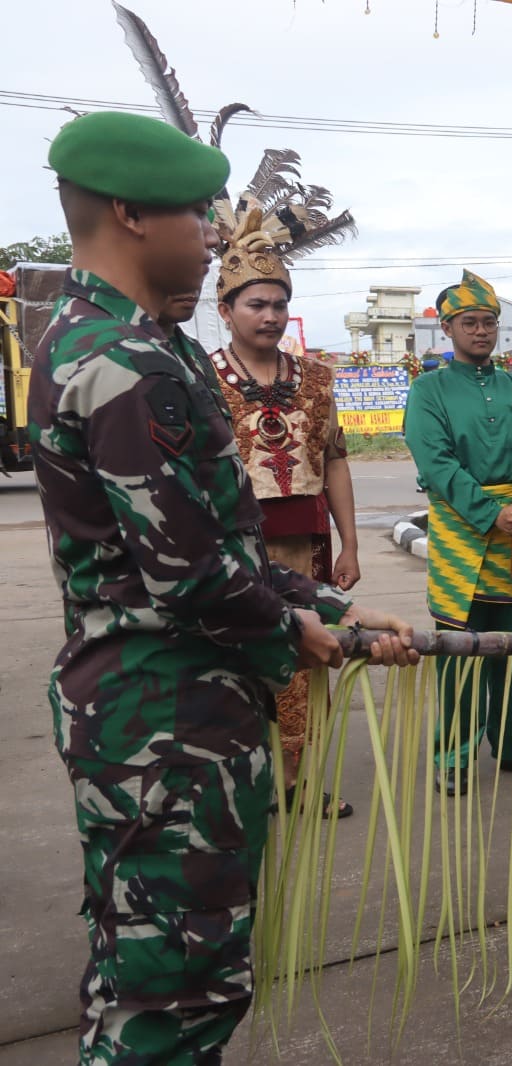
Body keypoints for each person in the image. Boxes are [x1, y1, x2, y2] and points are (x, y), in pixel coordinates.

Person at [31, 111, 418, 1065]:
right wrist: (303, 634)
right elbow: (192, 573)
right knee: (175, 1002)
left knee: (148, 976)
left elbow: (212, 547)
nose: (213, 240)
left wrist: (327, 603)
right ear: (130, 213)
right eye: (200, 218)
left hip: (161, 710)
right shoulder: (126, 363)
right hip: (167, 722)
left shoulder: (105, 338)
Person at [211, 197, 361, 820]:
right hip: (233, 547)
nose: (271, 315)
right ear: (226, 310)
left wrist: (351, 542)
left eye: (279, 303)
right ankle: (243, 778)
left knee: (304, 659)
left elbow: (335, 462)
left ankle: (296, 780)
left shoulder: (318, 378)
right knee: (239, 659)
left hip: (308, 544)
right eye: (256, 304)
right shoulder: (201, 376)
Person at [404, 270, 512, 796]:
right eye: (469, 322)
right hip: (462, 531)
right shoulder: (429, 390)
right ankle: (455, 754)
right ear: (447, 328)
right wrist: (489, 514)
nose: (482, 331)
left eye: (490, 322)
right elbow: (436, 463)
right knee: (460, 651)